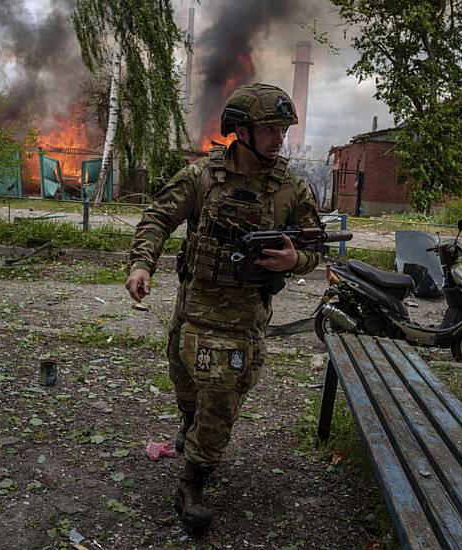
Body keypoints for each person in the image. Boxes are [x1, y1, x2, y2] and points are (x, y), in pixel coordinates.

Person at [125, 83, 322, 532]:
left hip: (243, 319)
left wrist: (296, 260)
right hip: (193, 310)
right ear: (241, 130)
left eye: (283, 130)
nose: (279, 138)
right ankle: (190, 429)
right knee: (187, 386)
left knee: (221, 397)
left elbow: (317, 247)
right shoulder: (202, 176)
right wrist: (141, 265)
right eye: (270, 129)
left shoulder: (290, 188)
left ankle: (192, 482)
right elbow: (158, 217)